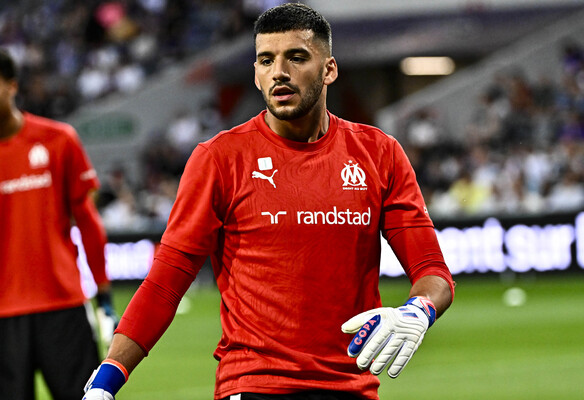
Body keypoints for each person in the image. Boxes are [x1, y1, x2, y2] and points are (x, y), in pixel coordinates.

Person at [83, 4, 455, 400]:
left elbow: (433, 272)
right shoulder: (219, 159)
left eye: (296, 57)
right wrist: (107, 379)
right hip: (254, 384)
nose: (279, 71)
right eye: (266, 60)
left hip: (352, 388)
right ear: (256, 74)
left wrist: (418, 309)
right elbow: (165, 283)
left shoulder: (379, 153)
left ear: (329, 69)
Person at [0, 48, 118, 400]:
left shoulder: (58, 140)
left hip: (62, 306)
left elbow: (88, 220)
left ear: (12, 85)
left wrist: (103, 292)